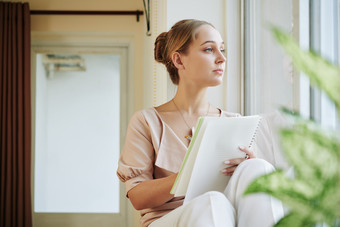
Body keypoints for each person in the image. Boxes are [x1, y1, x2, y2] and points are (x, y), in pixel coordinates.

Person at [117, 19, 284, 227]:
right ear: (179, 60)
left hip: (226, 214)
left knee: (258, 167)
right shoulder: (147, 121)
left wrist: (246, 167)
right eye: (209, 49)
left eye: (222, 50)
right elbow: (137, 197)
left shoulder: (235, 122)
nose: (222, 59)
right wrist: (186, 176)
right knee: (211, 202)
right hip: (166, 220)